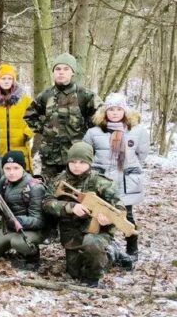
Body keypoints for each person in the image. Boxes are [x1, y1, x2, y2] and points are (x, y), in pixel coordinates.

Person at [43, 142, 125, 288]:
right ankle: (97, 257)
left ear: (90, 162)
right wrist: (69, 207)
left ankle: (110, 256)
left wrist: (108, 220)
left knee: (91, 248)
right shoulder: (59, 181)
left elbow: (119, 207)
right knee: (74, 272)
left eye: (82, 162)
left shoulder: (102, 182)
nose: (77, 166)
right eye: (73, 162)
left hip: (98, 231)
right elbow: (46, 203)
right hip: (71, 232)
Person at [82, 93, 149, 266]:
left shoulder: (138, 131)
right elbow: (86, 155)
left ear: (125, 111)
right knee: (101, 213)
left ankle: (132, 248)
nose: (114, 113)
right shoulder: (93, 132)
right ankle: (104, 249)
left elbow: (142, 155)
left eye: (119, 109)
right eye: (111, 109)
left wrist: (129, 168)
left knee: (127, 215)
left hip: (127, 181)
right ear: (104, 112)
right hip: (102, 181)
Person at [24, 53, 101, 180]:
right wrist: (44, 129)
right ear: (53, 72)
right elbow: (29, 115)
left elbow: (101, 118)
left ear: (72, 73)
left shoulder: (85, 95)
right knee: (50, 194)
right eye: (58, 69)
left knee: (77, 194)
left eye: (66, 69)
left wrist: (87, 132)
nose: (61, 72)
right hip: (50, 159)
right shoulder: (45, 96)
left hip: (77, 159)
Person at [0, 151, 47, 269]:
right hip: (9, 228)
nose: (11, 172)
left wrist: (20, 220)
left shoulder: (35, 187)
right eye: (7, 168)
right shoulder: (4, 181)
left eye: (16, 168)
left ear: (23, 168)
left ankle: (32, 256)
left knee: (18, 243)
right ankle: (9, 249)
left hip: (31, 231)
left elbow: (39, 221)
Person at [0, 64, 34, 171]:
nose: (6, 81)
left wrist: (27, 132)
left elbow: (36, 119)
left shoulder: (25, 100)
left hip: (20, 149)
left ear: (14, 80)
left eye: (9, 78)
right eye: (3, 78)